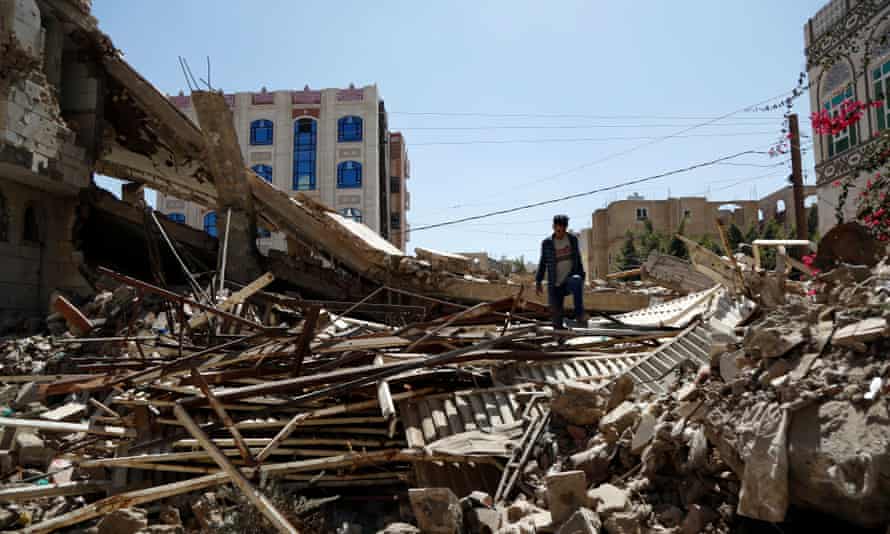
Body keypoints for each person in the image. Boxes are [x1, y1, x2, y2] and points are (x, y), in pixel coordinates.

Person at [535, 214, 586, 330]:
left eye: (563, 230)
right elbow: (542, 262)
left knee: (577, 280)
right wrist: (538, 281)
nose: (560, 233)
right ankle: (560, 342)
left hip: (568, 281)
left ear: (566, 228)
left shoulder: (572, 240)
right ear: (553, 227)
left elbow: (578, 259)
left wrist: (582, 276)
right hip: (554, 285)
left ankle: (579, 314)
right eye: (558, 230)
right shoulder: (546, 243)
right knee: (557, 323)